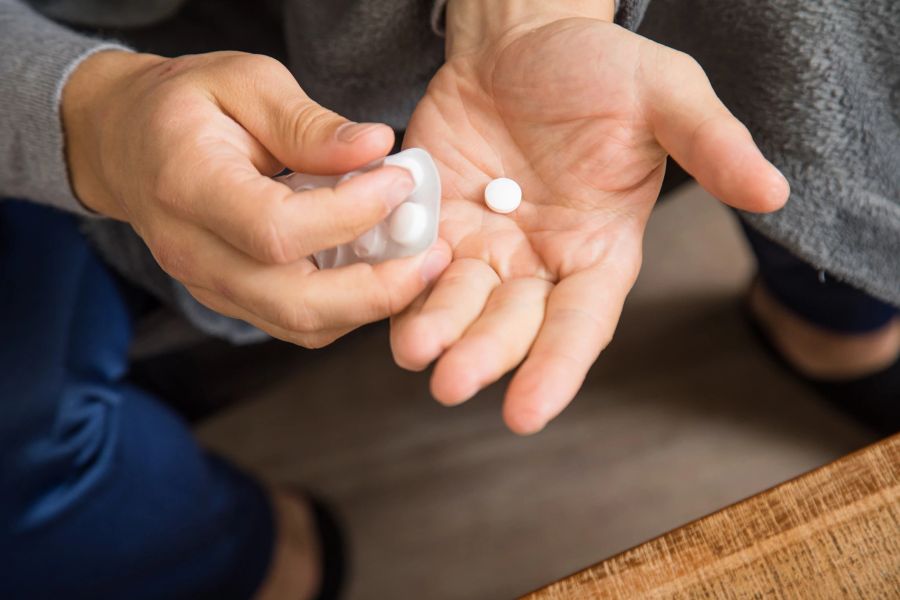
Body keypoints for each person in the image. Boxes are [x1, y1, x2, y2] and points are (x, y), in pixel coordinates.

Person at [0, 0, 894, 598]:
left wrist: (533, 11)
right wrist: (81, 117)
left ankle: (831, 320)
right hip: (64, 46)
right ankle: (253, 557)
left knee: (812, 62)